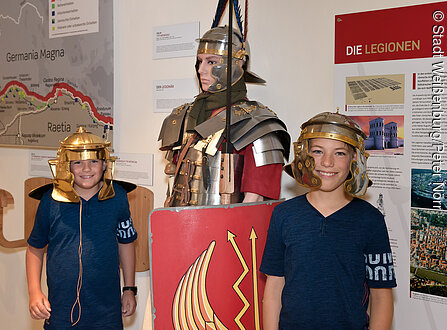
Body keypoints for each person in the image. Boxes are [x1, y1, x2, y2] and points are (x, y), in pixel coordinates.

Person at [260, 112, 397, 329]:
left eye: (340, 153)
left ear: (355, 157)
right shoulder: (283, 215)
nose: (327, 162)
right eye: (317, 151)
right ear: (304, 155)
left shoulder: (370, 220)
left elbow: (381, 296)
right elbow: (275, 287)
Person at [159, 26, 290, 206]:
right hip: (182, 225)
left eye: (211, 62)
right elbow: (174, 178)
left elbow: (255, 201)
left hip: (225, 229)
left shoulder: (257, 123)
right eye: (200, 61)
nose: (201, 70)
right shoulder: (185, 115)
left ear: (239, 63)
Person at [26, 127, 138, 329]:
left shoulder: (118, 197)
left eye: (93, 161)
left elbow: (126, 242)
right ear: (65, 166)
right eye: (78, 162)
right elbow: (35, 247)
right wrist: (34, 291)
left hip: (107, 311)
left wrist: (129, 289)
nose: (86, 169)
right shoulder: (50, 201)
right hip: (61, 309)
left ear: (105, 164)